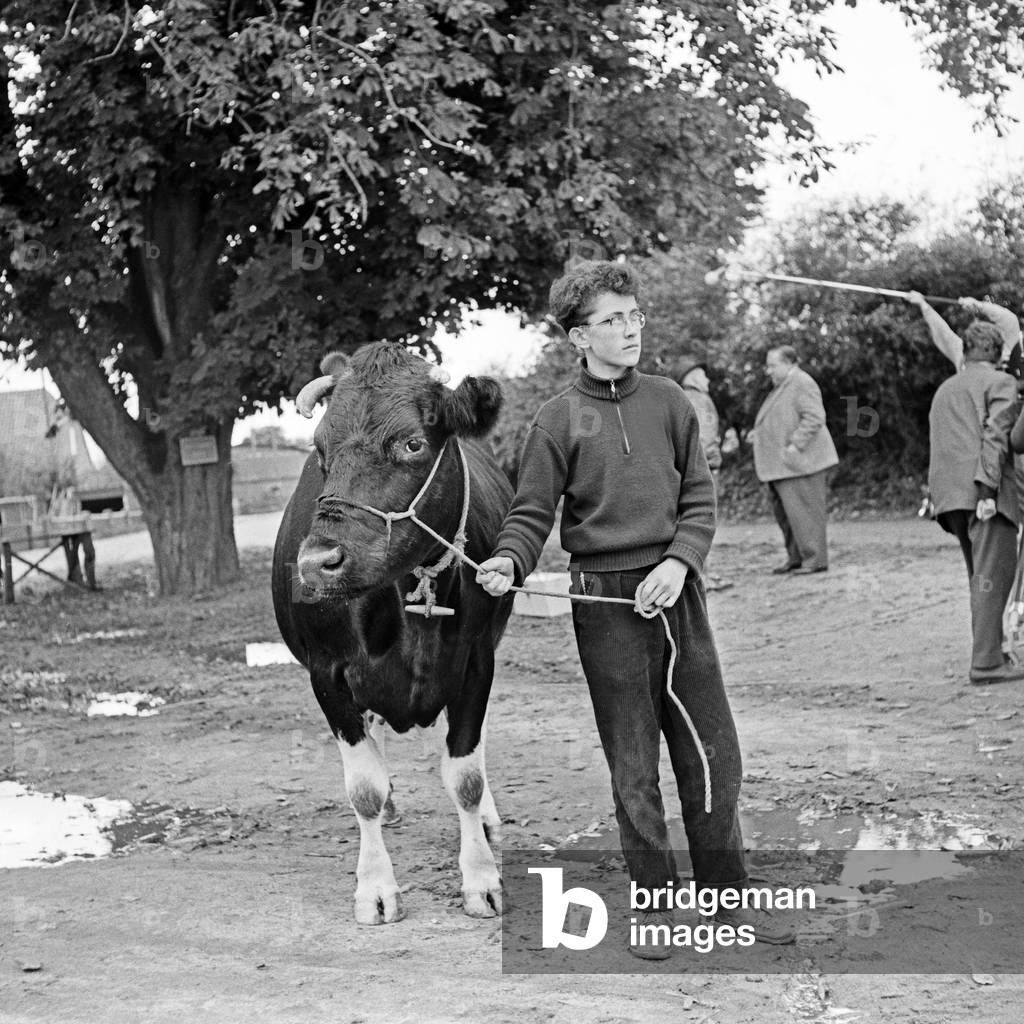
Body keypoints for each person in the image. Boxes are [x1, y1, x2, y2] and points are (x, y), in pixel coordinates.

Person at [475, 260, 795, 959]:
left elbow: (700, 502)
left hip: (679, 596)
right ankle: (659, 907)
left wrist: (680, 563)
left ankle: (725, 895)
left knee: (713, 755)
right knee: (633, 764)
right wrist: (507, 560)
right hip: (604, 601)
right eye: (612, 320)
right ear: (578, 338)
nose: (629, 330)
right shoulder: (555, 420)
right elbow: (530, 514)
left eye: (634, 316)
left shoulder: (672, 403)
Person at [924, 317, 1024, 684]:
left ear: (965, 352)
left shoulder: (946, 388)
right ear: (998, 355)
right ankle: (986, 663)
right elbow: (996, 438)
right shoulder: (1001, 382)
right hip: (985, 493)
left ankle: (993, 653)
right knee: (993, 576)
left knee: (981, 577)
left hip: (949, 498)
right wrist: (987, 492)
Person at [751, 347, 838, 574]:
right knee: (788, 516)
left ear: (789, 362)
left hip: (801, 464)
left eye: (773, 365)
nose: (768, 371)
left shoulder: (802, 382)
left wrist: (794, 445)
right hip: (784, 467)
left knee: (806, 514)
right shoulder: (782, 386)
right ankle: (797, 558)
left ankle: (815, 560)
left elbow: (815, 417)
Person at [669, 353, 737, 590]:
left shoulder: (680, 399)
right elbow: (704, 438)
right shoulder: (699, 399)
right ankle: (703, 577)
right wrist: (712, 462)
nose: (707, 378)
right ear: (694, 377)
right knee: (703, 521)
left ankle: (701, 575)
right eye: (703, 374)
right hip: (703, 469)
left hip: (686, 470)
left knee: (690, 521)